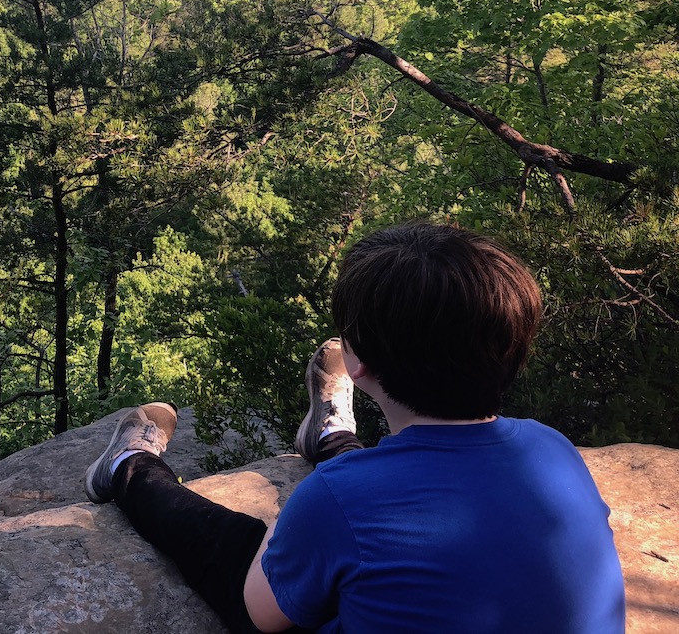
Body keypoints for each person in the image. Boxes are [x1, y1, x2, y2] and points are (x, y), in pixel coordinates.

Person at [83, 222, 626, 633]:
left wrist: (293, 524)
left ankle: (129, 468)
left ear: (358, 362)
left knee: (237, 549)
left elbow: (263, 614)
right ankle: (332, 438)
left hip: (337, 513)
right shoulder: (551, 448)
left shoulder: (339, 501)